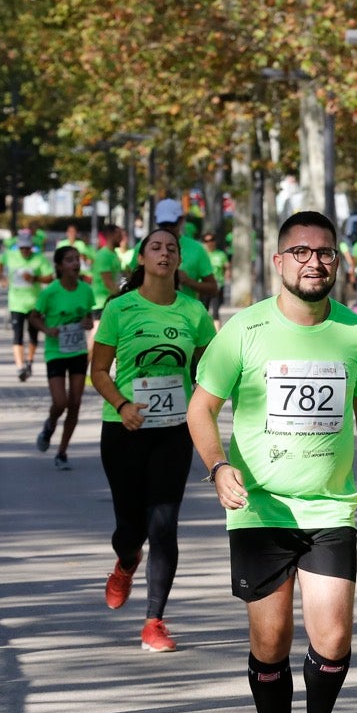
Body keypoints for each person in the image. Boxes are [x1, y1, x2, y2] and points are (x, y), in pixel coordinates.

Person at [186, 210, 357, 713]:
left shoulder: (356, 334)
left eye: (324, 252)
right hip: (260, 511)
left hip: (328, 509)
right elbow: (201, 409)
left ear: (338, 261)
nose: (314, 262)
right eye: (300, 252)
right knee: (270, 644)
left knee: (333, 638)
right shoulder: (244, 331)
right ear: (279, 262)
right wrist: (219, 468)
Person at [90, 227, 216, 653]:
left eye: (172, 249)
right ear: (141, 259)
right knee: (130, 528)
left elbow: (208, 373)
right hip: (124, 429)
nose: (164, 254)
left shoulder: (195, 313)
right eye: (156, 248)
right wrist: (123, 405)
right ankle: (126, 562)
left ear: (180, 260)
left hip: (173, 432)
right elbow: (100, 371)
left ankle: (154, 621)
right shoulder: (120, 309)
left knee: (164, 525)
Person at [29, 245, 95, 469]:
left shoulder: (86, 290)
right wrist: (47, 330)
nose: (75, 263)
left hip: (77, 351)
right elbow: (34, 316)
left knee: (75, 403)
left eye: (77, 259)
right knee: (61, 402)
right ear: (59, 266)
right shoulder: (50, 292)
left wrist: (88, 323)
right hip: (56, 351)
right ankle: (50, 425)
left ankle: (62, 452)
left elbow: (88, 317)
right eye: (69, 260)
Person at [4, 230, 53, 381]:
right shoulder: (10, 256)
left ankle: (29, 361)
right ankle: (20, 367)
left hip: (34, 304)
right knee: (17, 335)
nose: (24, 251)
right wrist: (1, 277)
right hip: (16, 303)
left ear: (32, 246)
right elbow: (0, 262)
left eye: (27, 248)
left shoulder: (39, 259)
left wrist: (35, 278)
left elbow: (50, 277)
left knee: (33, 335)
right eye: (22, 248)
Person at [202, 230, 230, 328]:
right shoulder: (202, 254)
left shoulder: (220, 254)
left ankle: (217, 336)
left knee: (215, 312)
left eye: (212, 240)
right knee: (203, 311)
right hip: (203, 286)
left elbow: (226, 267)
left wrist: (227, 275)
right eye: (206, 241)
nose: (209, 242)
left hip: (217, 286)